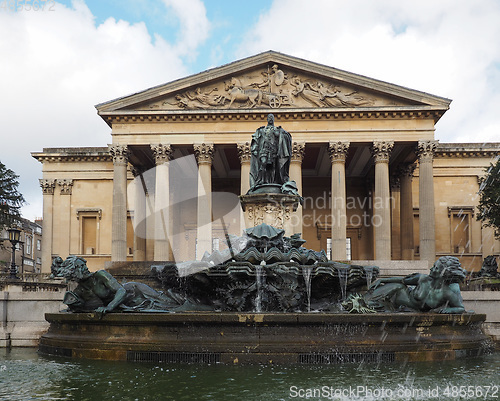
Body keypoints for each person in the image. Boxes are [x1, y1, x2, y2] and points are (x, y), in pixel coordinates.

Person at [52, 256, 185, 314]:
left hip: (135, 291)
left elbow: (121, 291)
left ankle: (193, 301)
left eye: (85, 265)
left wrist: (109, 307)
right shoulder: (80, 290)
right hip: (127, 304)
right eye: (81, 267)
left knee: (170, 303)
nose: (85, 268)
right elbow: (81, 306)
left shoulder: (100, 275)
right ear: (73, 272)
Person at [365, 256, 467, 313]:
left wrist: (450, 310)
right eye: (433, 266)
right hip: (399, 294)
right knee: (396, 286)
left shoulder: (447, 293)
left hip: (409, 310)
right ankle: (365, 302)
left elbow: (460, 308)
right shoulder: (422, 278)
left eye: (435, 268)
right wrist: (382, 280)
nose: (431, 269)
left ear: (443, 273)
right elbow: (402, 280)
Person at [249, 113, 292, 189]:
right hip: (264, 150)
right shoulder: (262, 130)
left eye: (272, 117)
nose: (270, 119)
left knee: (273, 167)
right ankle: (261, 180)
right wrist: (255, 149)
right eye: (269, 117)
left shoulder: (277, 130)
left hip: (274, 151)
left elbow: (286, 136)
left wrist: (279, 135)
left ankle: (273, 182)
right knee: (263, 163)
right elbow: (256, 139)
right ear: (267, 119)